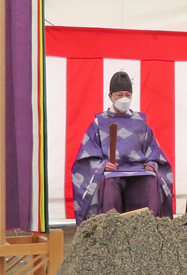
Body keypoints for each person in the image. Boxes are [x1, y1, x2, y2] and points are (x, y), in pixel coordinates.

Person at [71, 71, 174, 222]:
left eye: (128, 94)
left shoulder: (141, 122)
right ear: (110, 96)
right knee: (110, 185)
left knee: (151, 181)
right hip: (112, 172)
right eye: (119, 95)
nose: (124, 98)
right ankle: (109, 230)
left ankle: (147, 231)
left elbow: (154, 151)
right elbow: (86, 157)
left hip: (139, 171)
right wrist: (102, 166)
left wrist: (152, 163)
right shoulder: (99, 123)